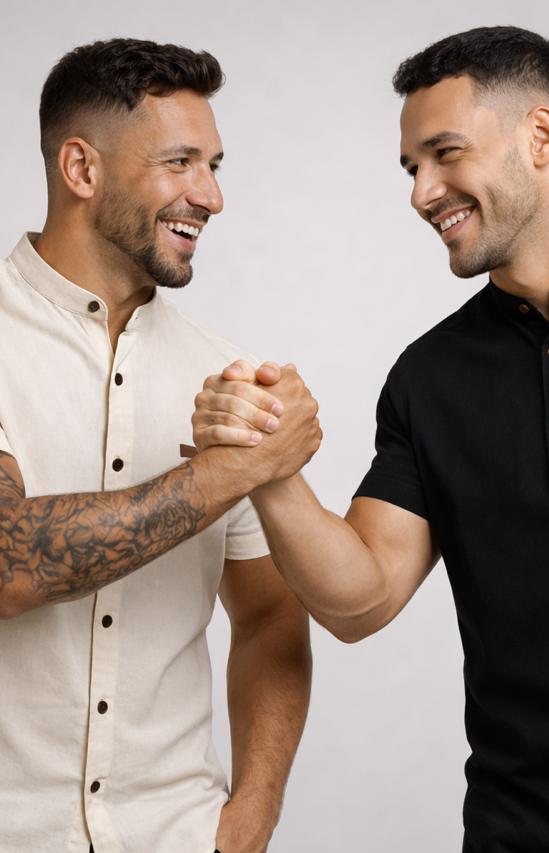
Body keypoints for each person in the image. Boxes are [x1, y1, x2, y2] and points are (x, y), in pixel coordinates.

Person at [193, 25, 549, 853]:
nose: (422, 192)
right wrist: (267, 463)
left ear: (540, 136)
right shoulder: (429, 379)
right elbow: (360, 597)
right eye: (410, 168)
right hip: (524, 833)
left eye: (444, 154)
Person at [0, 38, 322, 853]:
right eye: (180, 162)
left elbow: (271, 616)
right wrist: (232, 470)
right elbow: (8, 564)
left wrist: (253, 812)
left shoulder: (223, 378)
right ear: (82, 168)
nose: (210, 195)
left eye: (213, 165)